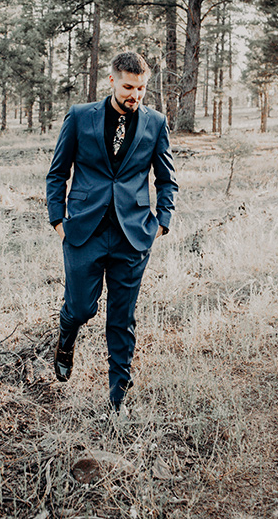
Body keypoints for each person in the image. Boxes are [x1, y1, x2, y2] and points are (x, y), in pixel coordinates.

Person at [46, 51, 178, 412]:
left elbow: (167, 179)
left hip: (132, 235)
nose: (135, 94)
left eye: (141, 88)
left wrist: (161, 223)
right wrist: (58, 221)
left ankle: (118, 395)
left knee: (122, 317)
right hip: (83, 232)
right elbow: (58, 173)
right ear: (112, 81)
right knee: (81, 308)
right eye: (128, 86)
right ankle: (66, 336)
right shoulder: (78, 117)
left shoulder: (155, 123)